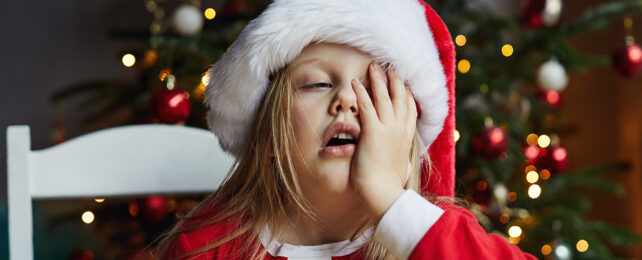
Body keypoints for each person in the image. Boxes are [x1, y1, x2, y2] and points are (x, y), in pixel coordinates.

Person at [156, 0, 537, 259]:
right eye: (318, 84)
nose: (348, 101)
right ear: (270, 135)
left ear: (408, 133)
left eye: (376, 90)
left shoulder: (433, 233)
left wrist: (391, 199)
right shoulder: (206, 246)